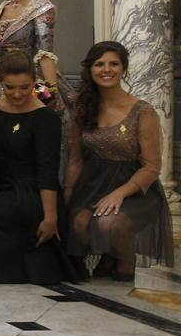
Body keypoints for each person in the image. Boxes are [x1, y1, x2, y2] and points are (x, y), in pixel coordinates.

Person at [64, 41, 173, 281]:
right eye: (99, 64)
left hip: (134, 188)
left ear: (123, 69)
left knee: (108, 224)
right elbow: (75, 159)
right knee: (78, 225)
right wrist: (68, 195)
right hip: (92, 184)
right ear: (90, 69)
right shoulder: (82, 109)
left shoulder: (142, 111)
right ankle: (108, 253)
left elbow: (152, 166)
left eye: (114, 64)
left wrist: (119, 194)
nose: (107, 69)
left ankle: (124, 256)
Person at [0, 51, 79, 284]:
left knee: (3, 210)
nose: (17, 94)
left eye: (24, 87)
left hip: (33, 189)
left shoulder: (46, 118)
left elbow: (48, 171)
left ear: (34, 81)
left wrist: (51, 218)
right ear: (0, 82)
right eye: (10, 88)